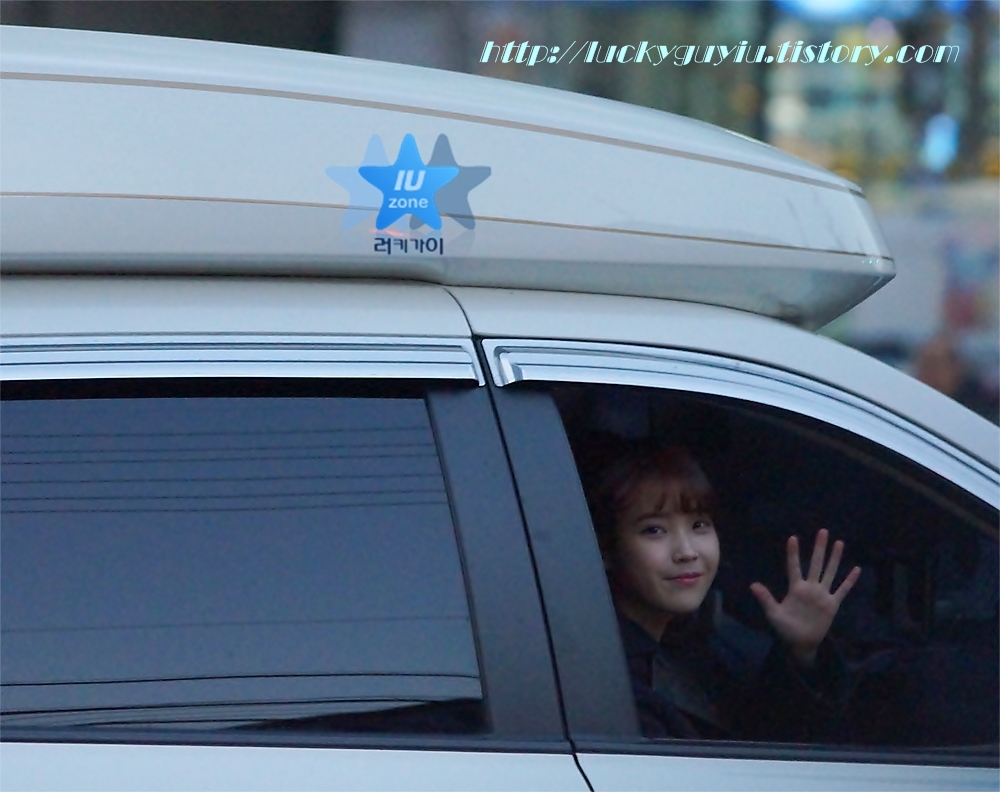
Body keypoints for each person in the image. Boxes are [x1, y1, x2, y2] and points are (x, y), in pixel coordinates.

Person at [583, 441, 861, 741]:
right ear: (606, 549)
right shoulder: (609, 682)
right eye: (654, 530)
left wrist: (800, 651)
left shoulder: (697, 645)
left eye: (699, 525)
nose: (687, 551)